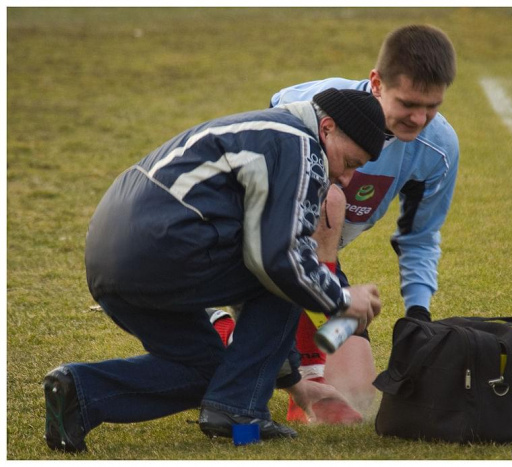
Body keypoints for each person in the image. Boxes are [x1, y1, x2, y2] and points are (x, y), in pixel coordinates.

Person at [42, 88, 385, 452]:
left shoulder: (265, 131)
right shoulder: (301, 146)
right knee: (290, 271)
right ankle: (238, 412)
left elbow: (262, 254)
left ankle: (80, 391)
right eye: (350, 163)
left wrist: (293, 382)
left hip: (111, 260)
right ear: (327, 128)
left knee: (208, 373)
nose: (346, 179)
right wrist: (341, 297)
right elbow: (280, 261)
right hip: (161, 251)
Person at [269, 24, 459, 422]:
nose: (420, 118)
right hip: (270, 251)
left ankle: (308, 352)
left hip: (323, 266)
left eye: (432, 106)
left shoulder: (438, 149)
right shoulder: (311, 107)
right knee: (329, 197)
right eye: (408, 103)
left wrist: (418, 317)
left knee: (359, 399)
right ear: (376, 82)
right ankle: (232, 329)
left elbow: (420, 238)